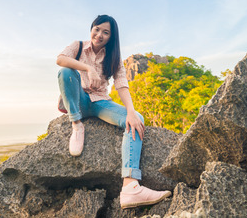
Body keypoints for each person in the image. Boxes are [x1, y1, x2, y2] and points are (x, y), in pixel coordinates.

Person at [56, 15, 171, 209]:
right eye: (97, 29)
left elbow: (121, 85)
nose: (99, 35)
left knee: (136, 120)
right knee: (66, 72)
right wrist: (87, 68)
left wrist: (131, 112)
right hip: (78, 99)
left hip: (100, 102)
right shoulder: (78, 46)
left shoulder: (114, 58)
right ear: (91, 28)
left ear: (111, 37)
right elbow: (60, 59)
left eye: (105, 32)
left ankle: (130, 187)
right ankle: (77, 124)